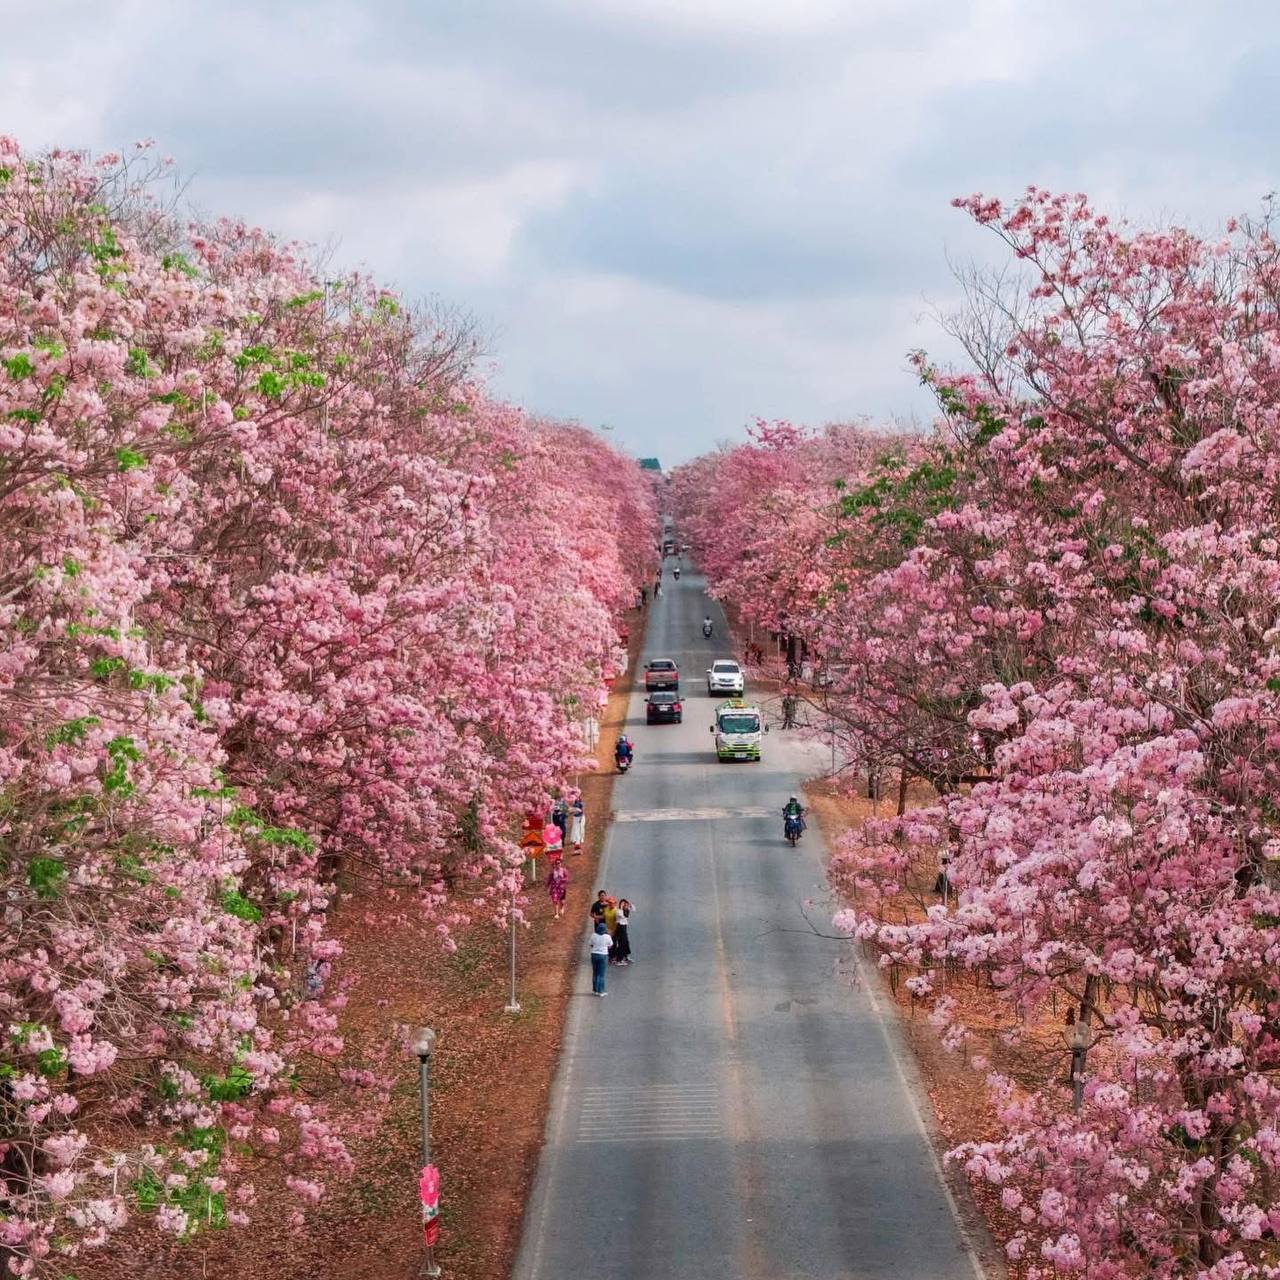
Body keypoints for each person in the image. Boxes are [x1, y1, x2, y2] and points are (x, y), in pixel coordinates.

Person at [590, 920, 613, 995]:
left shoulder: (593, 935)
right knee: (601, 974)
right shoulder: (607, 937)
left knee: (595, 973)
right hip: (603, 955)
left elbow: (591, 944)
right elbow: (610, 945)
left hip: (594, 954)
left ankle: (595, 990)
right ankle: (601, 991)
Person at [613, 898, 634, 965]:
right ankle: (619, 960)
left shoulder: (626, 910)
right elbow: (622, 916)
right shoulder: (618, 911)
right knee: (622, 943)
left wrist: (629, 904)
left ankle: (625, 956)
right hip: (620, 927)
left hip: (624, 927)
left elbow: (634, 909)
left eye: (625, 904)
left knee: (626, 942)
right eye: (623, 904)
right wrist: (621, 907)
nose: (625, 905)